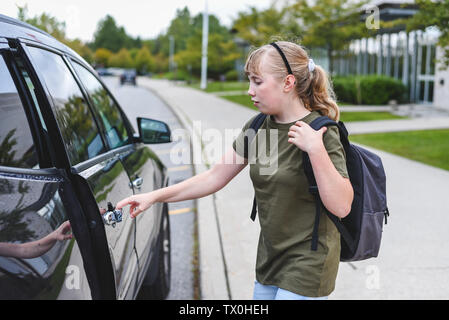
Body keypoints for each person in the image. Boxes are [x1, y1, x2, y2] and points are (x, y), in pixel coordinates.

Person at [116, 41, 354, 300]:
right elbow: (213, 177)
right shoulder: (258, 126)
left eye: (257, 81)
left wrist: (315, 149)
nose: (250, 90)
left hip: (309, 262)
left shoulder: (321, 131)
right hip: (270, 259)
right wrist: (154, 196)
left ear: (287, 83)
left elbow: (342, 206)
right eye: (249, 81)